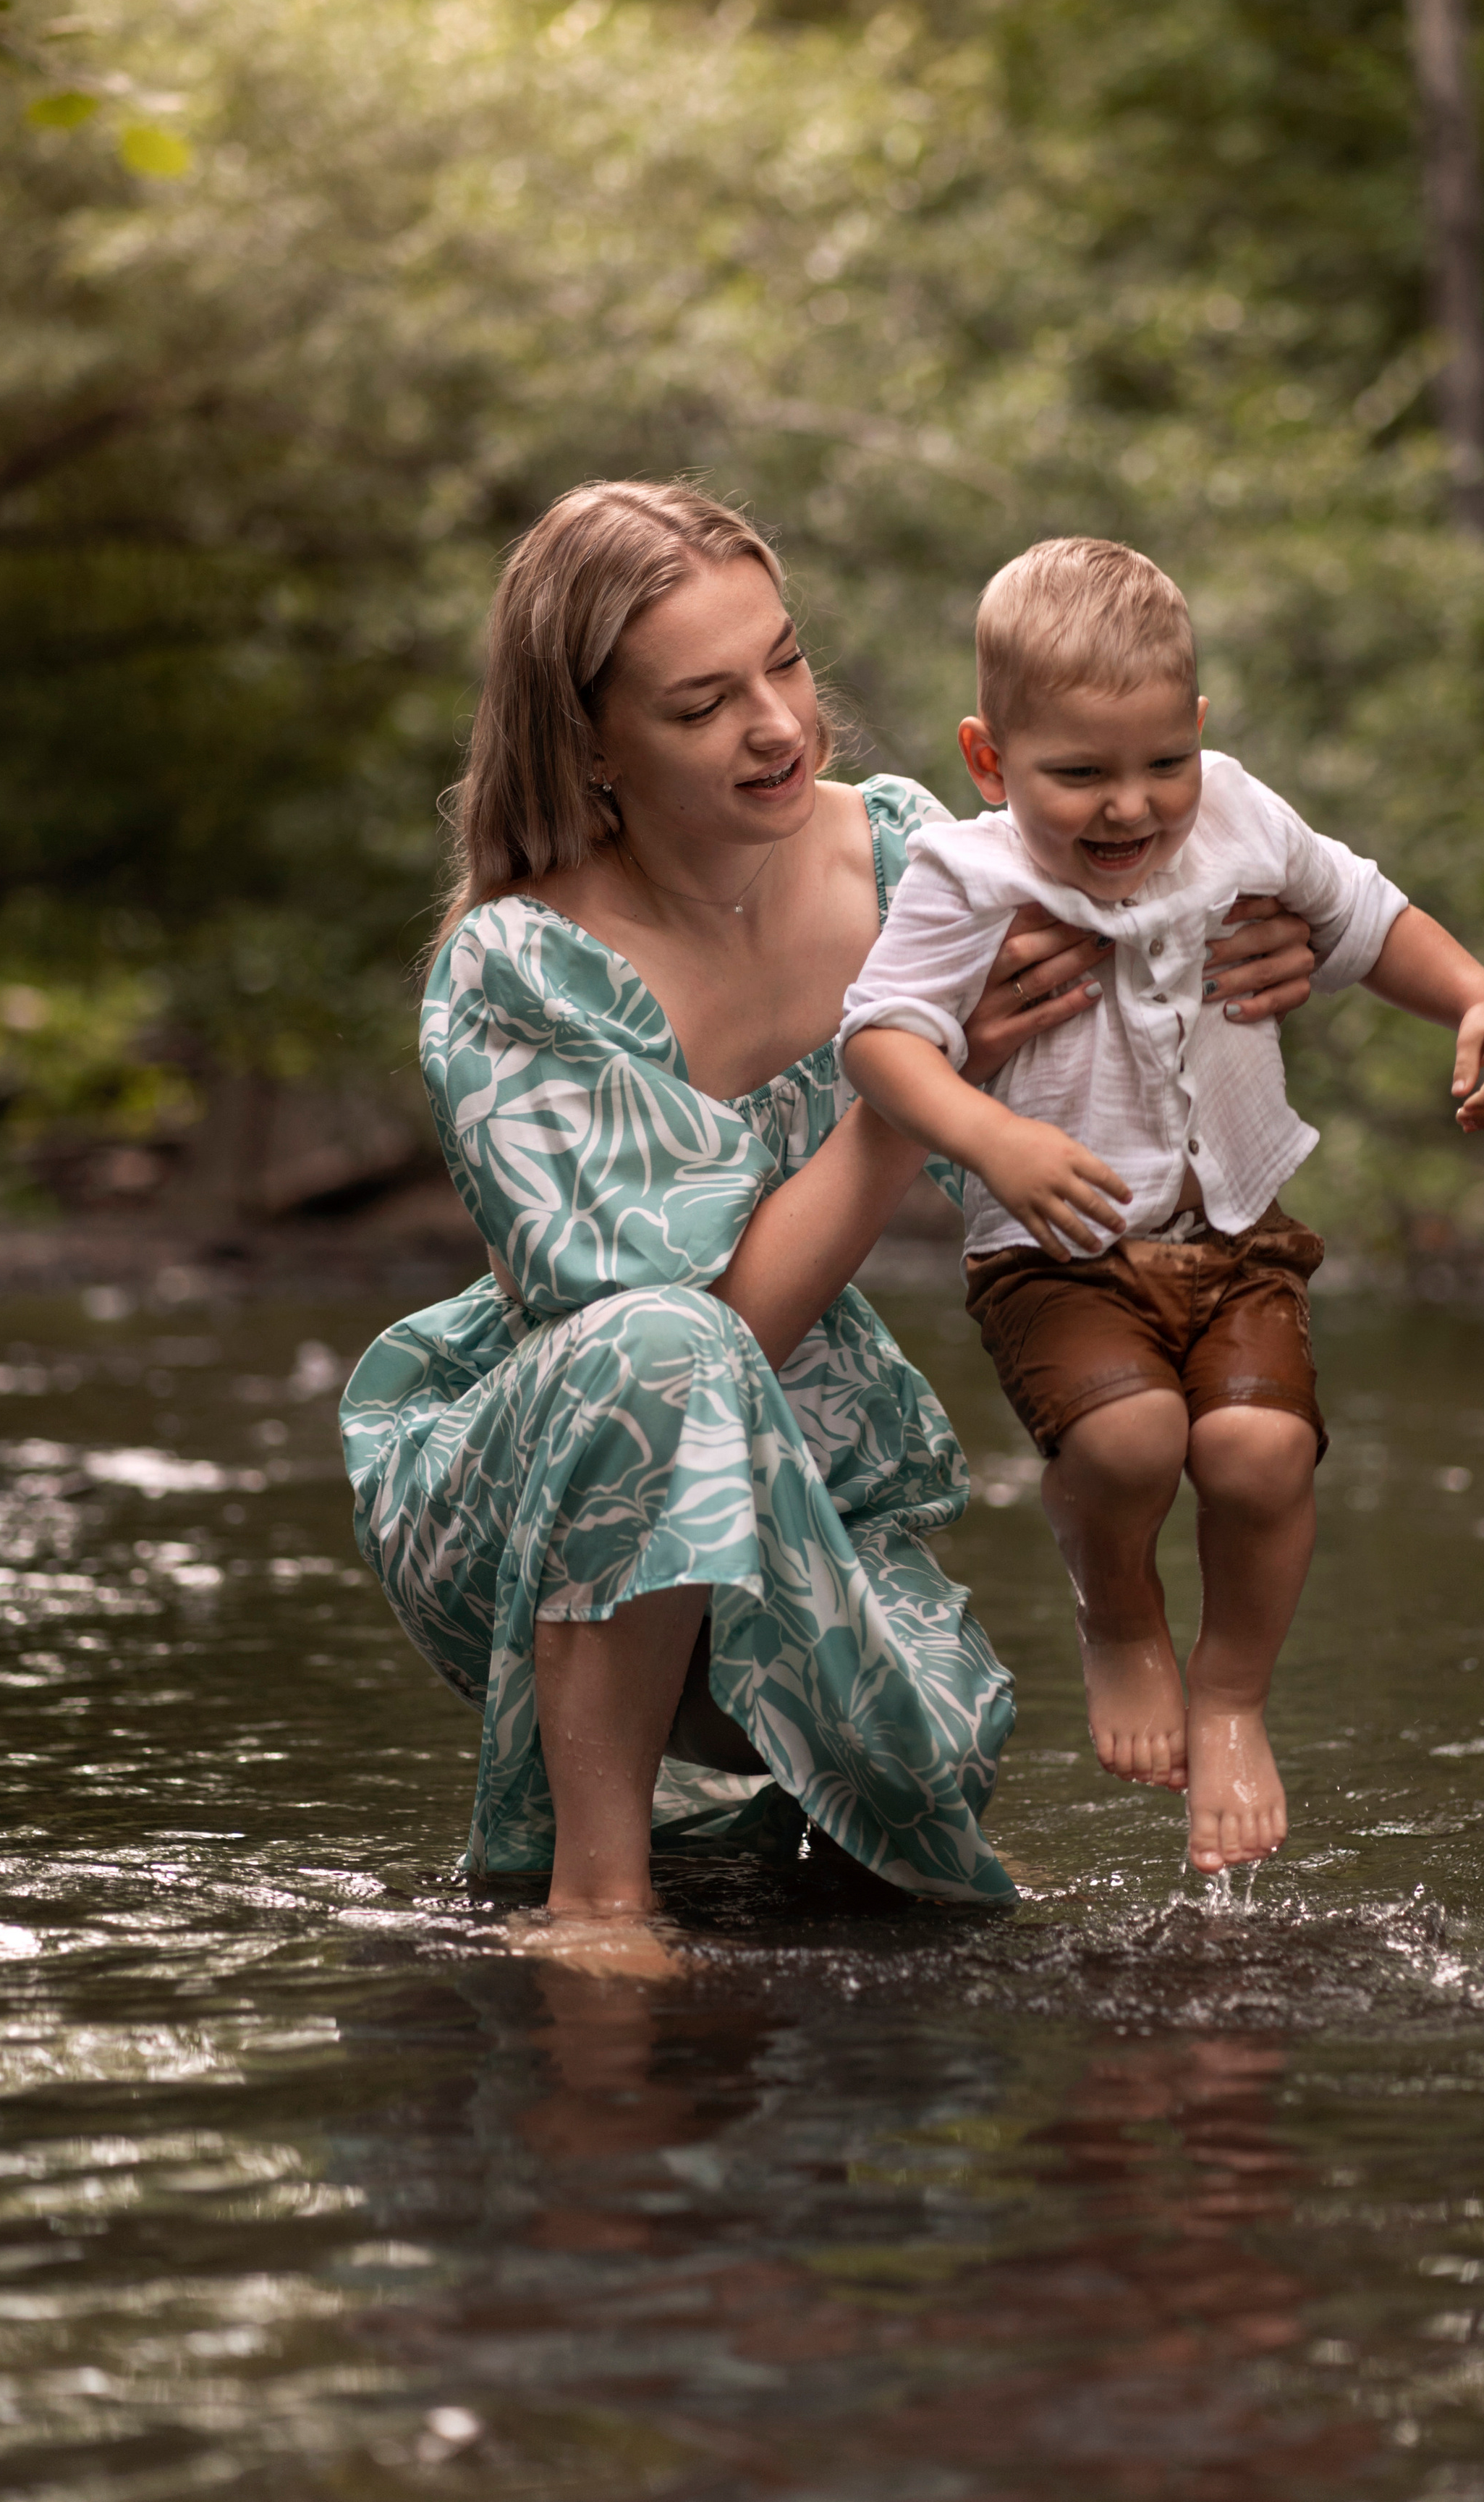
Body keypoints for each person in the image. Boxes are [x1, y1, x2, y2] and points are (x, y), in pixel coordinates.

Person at [339, 486, 1320, 1956]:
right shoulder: (518, 969)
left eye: (782, 665)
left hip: (812, 1443)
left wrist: (1246, 949)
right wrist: (912, 1096)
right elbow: (705, 1344)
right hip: (540, 1469)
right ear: (588, 738)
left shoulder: (899, 855)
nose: (778, 726)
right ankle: (593, 1901)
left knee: (921, 1778)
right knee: (661, 1346)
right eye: (700, 704)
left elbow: (1126, 957)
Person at [840, 537, 1484, 1880]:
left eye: (1164, 762)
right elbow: (879, 1039)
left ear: (1202, 734)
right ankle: (1117, 1616)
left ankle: (1230, 1697)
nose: (1129, 807)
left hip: (1238, 1237)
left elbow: (1365, 915)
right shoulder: (964, 875)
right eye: (1079, 774)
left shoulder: (1240, 817)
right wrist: (993, 1138)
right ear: (989, 762)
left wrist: (1480, 997)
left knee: (1264, 1461)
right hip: (1059, 1247)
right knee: (1135, 1441)